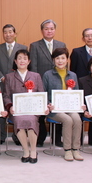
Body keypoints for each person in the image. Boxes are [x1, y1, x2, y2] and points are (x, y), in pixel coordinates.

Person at [3, 49, 47, 163]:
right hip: (17, 110)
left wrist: (44, 107)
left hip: (32, 110)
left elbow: (41, 93)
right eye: (19, 58)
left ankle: (33, 150)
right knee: (19, 121)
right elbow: (6, 95)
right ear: (15, 61)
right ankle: (25, 150)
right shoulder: (9, 77)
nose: (22, 61)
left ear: (29, 61)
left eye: (25, 58)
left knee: (32, 120)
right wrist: (10, 106)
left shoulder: (36, 76)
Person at [29, 19, 66, 147]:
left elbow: (65, 64)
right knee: (40, 112)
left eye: (51, 28)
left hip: (57, 83)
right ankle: (40, 138)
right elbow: (33, 67)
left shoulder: (61, 44)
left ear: (55, 30)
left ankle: (57, 139)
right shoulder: (35, 45)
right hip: (41, 83)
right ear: (42, 31)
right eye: (46, 28)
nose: (49, 31)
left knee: (58, 109)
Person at [42, 48, 84, 161]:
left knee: (77, 118)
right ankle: (67, 150)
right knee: (67, 120)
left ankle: (75, 148)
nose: (60, 61)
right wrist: (48, 104)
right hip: (54, 109)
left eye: (63, 58)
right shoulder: (47, 75)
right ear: (53, 60)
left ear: (67, 60)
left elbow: (77, 93)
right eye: (57, 58)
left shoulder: (73, 75)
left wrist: (81, 104)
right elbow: (43, 93)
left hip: (70, 107)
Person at [0, 24, 27, 145]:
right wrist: (1, 77)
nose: (8, 34)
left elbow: (25, 65)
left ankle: (17, 136)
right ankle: (1, 136)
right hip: (2, 84)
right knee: (1, 110)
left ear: (15, 34)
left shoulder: (23, 47)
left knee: (17, 109)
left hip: (18, 85)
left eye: (10, 32)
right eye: (5, 32)